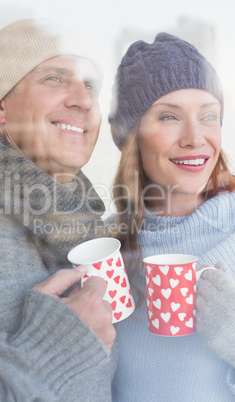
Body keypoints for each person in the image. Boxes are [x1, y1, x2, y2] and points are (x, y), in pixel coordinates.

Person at [0, 18, 116, 401]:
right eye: (54, 78)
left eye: (91, 86)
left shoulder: (91, 229)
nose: (83, 100)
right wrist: (52, 351)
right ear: (1, 106)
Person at [108, 33, 235, 401]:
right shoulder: (107, 251)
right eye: (169, 116)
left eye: (209, 116)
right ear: (132, 137)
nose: (196, 138)